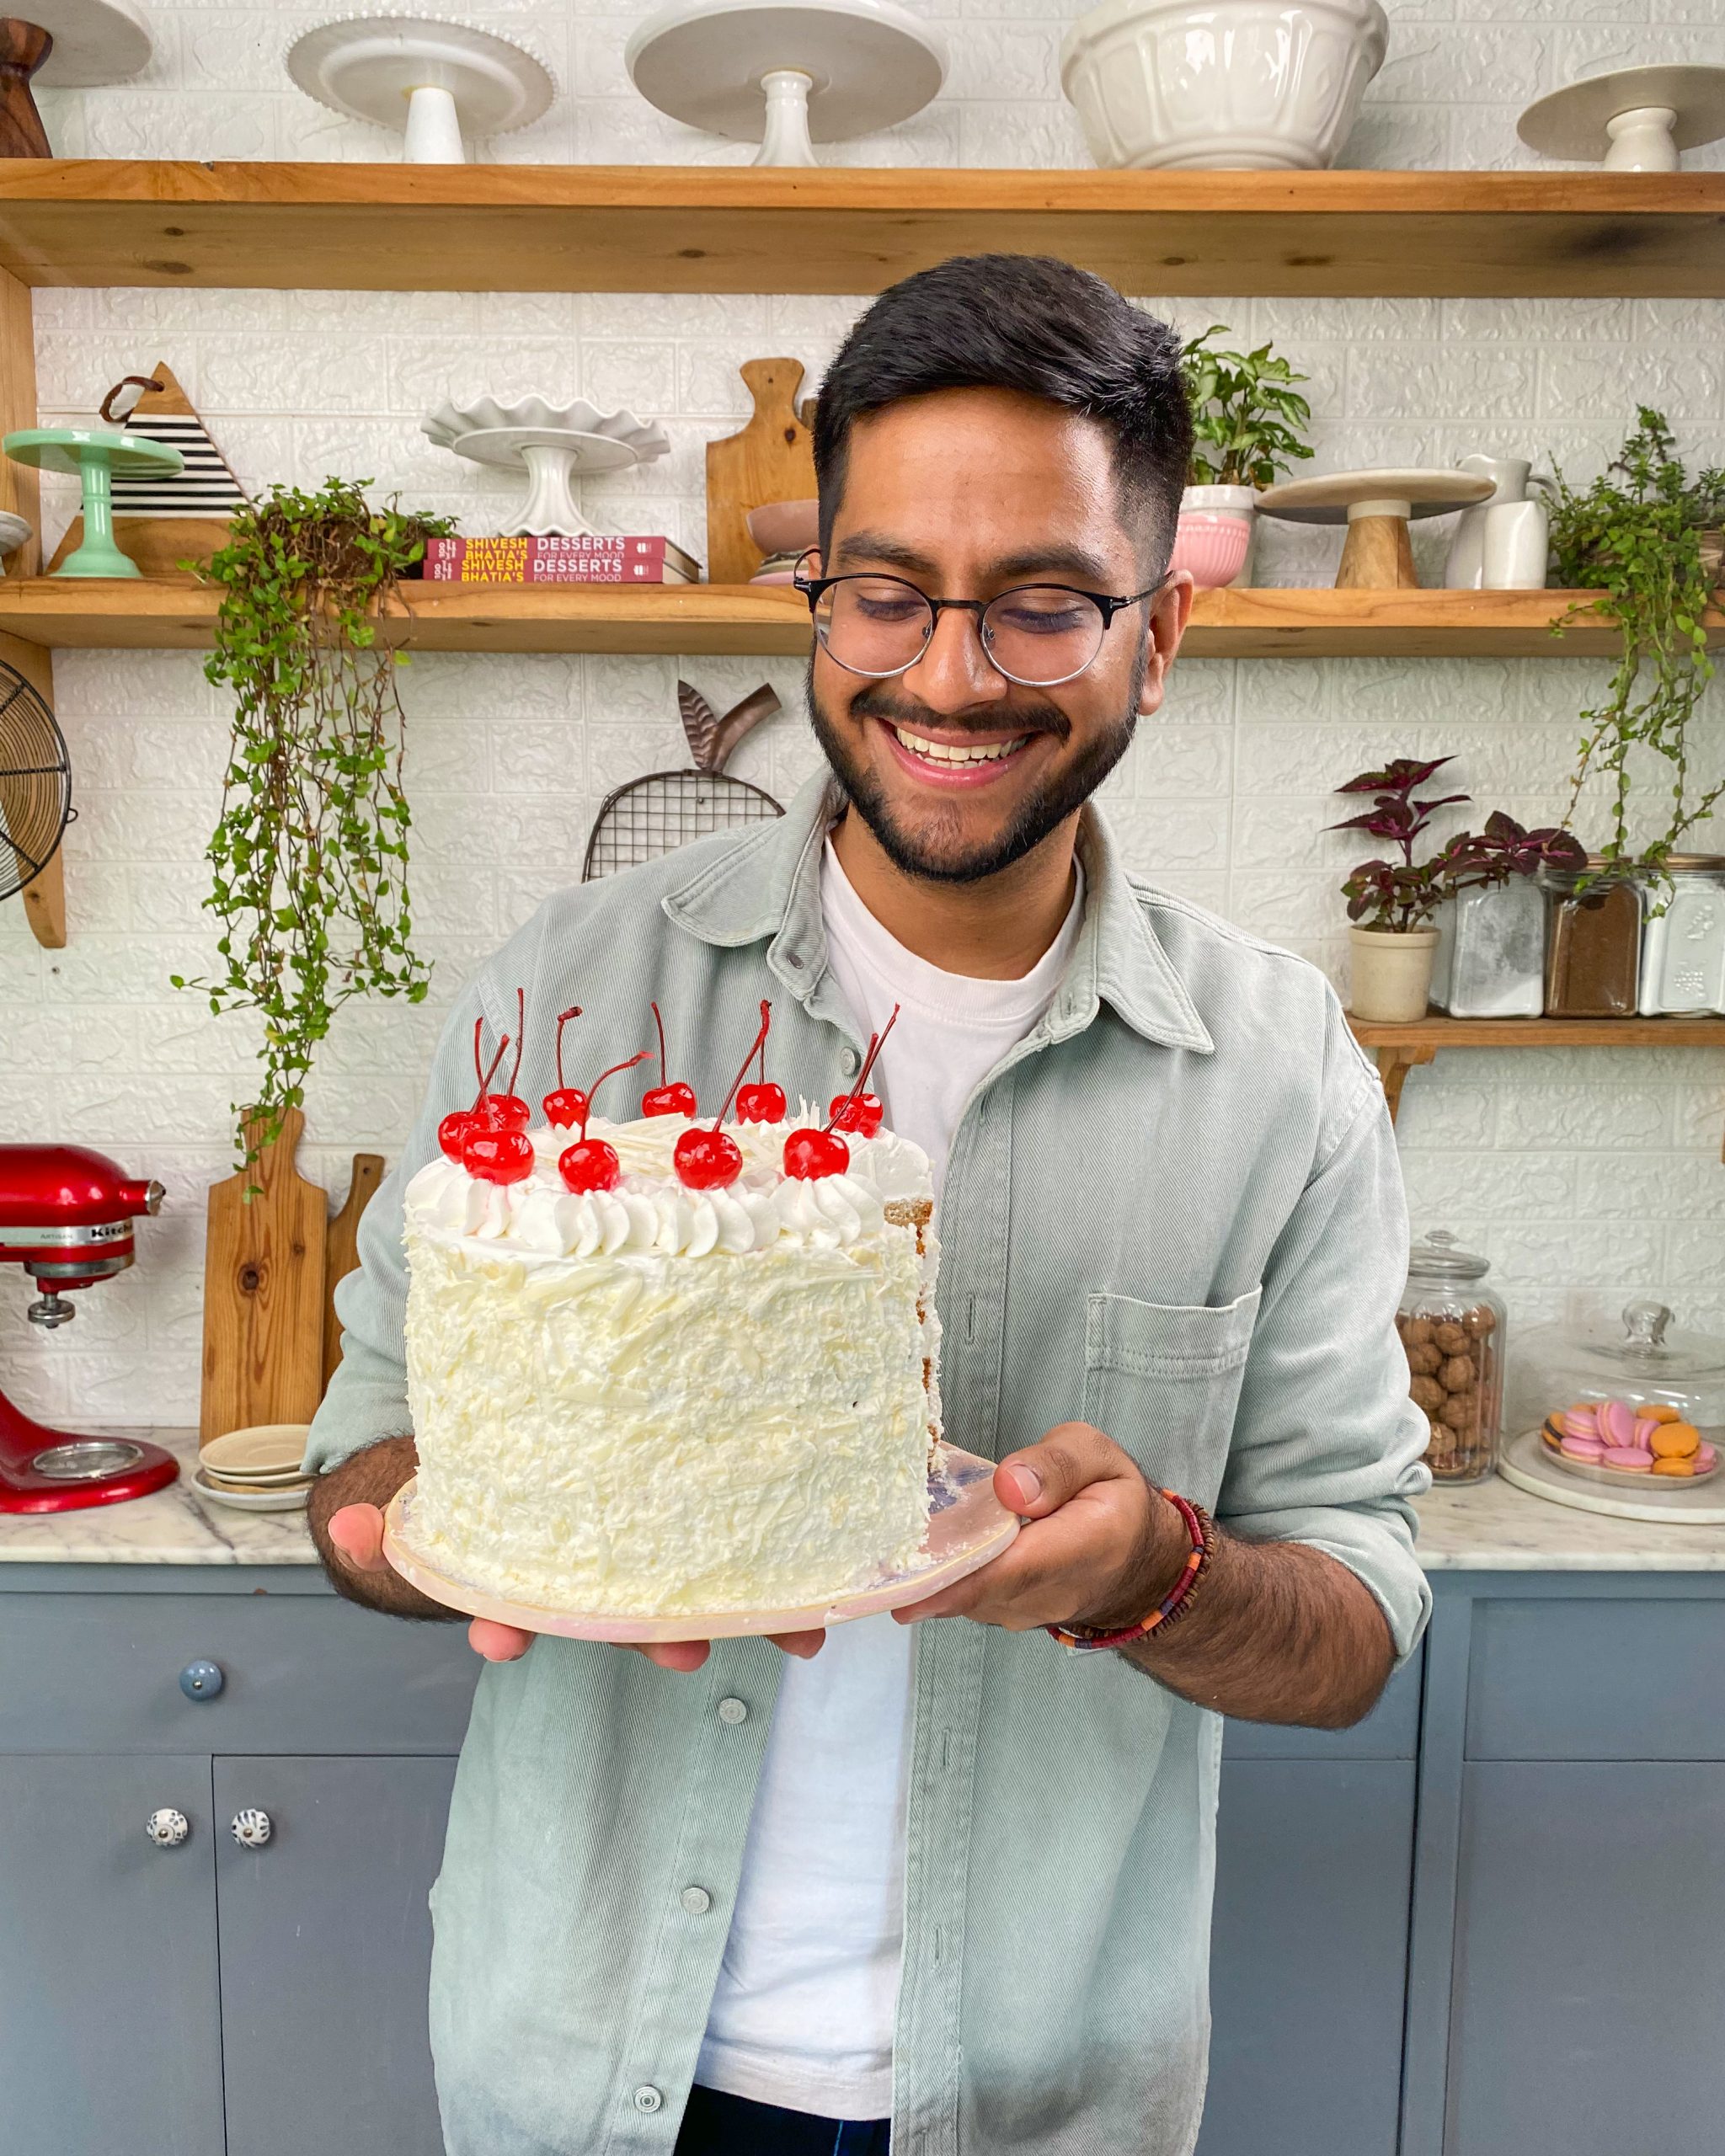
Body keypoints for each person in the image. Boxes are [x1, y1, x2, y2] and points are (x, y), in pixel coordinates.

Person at [307, 251, 1432, 2156]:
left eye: (1045, 606)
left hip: (1037, 2095)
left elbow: (1354, 1621)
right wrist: (478, 1531)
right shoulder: (562, 996)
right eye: (886, 591)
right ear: (816, 598)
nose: (947, 672)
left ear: (1157, 635)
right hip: (577, 2067)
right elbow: (358, 1479)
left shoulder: (1278, 1065)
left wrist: (1150, 1570)